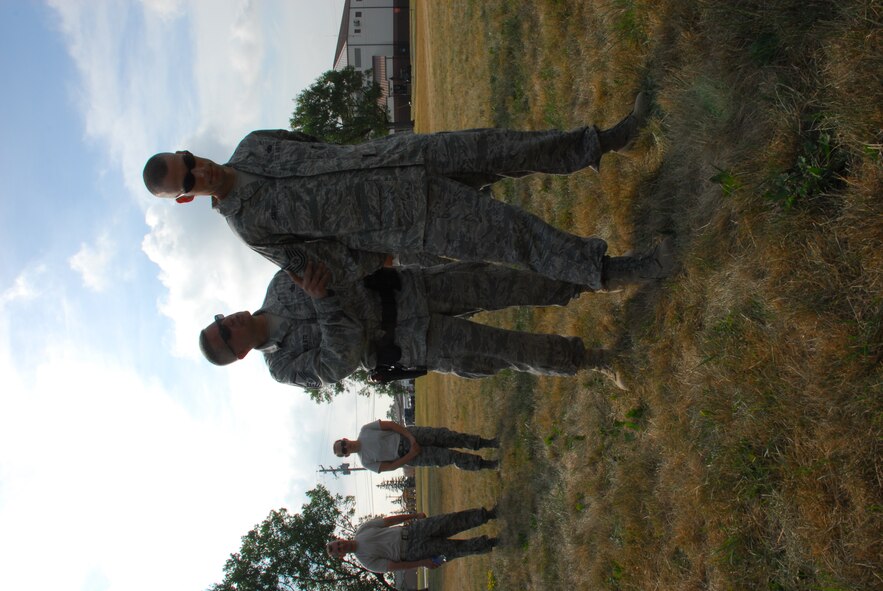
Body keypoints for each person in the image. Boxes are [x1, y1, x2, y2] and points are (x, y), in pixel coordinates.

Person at [142, 95, 669, 291]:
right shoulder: (250, 227)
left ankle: (604, 141)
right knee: (517, 239)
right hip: (411, 217)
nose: (196, 171)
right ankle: (616, 271)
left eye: (187, 161)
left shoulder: (254, 145)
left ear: (189, 151)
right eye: (185, 181)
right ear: (186, 198)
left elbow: (319, 147)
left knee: (508, 147)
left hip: (404, 158)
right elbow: (324, 265)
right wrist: (378, 253)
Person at [198, 261, 633, 389]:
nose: (230, 322)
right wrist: (325, 303)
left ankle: (596, 279)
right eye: (225, 334)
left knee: (506, 283)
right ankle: (596, 361)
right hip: (416, 342)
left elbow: (344, 261)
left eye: (221, 320)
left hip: (412, 288)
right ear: (238, 353)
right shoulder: (283, 366)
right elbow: (338, 362)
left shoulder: (279, 283)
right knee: (509, 350)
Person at [326, 507, 498, 573]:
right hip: (411, 552)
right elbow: (394, 566)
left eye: (338, 543)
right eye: (338, 549)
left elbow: (389, 521)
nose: (341, 546)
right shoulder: (366, 562)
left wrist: (414, 516)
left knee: (451, 521)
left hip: (412, 530)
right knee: (453, 549)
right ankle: (491, 543)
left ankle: (488, 514)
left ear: (340, 538)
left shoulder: (362, 530)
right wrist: (423, 562)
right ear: (342, 556)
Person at [335, 419, 500, 472]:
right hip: (411, 456)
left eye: (343, 444)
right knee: (449, 457)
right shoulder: (365, 461)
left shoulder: (365, 430)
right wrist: (410, 455)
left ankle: (488, 443)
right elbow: (391, 466)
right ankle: (487, 464)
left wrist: (410, 437)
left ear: (345, 439)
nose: (345, 447)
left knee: (450, 437)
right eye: (343, 451)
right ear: (346, 455)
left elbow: (391, 425)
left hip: (410, 435)